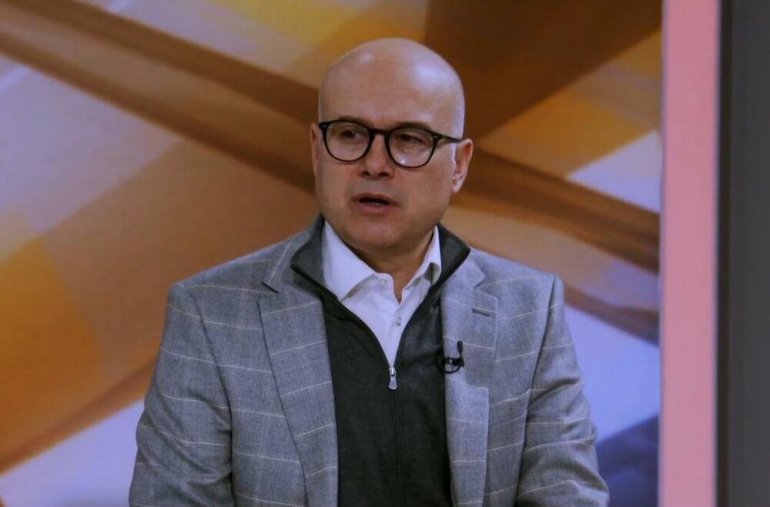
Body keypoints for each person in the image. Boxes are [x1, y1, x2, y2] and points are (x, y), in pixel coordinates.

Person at [129, 38, 608, 506]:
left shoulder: (529, 310)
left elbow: (567, 494)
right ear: (316, 149)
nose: (375, 164)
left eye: (410, 139)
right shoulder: (212, 315)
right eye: (350, 134)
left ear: (459, 165)